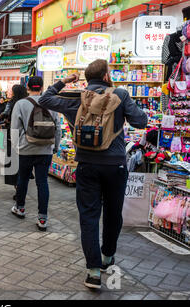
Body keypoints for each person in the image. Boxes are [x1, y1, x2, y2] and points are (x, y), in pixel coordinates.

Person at [38, 59, 148, 289]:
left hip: (86, 164)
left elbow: (44, 99)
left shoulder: (79, 98)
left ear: (87, 78)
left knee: (88, 216)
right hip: (115, 166)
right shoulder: (120, 95)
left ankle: (94, 272)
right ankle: (108, 256)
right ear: (107, 76)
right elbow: (141, 122)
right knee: (112, 212)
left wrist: (63, 82)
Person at [10, 77, 61, 232]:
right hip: (45, 149)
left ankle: (20, 208)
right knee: (42, 182)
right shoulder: (51, 103)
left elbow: (14, 128)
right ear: (42, 87)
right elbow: (58, 128)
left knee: (23, 179)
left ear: (28, 87)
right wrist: (55, 147)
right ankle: (42, 218)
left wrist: (16, 147)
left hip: (26, 149)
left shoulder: (21, 104)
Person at [0, 85, 28, 195]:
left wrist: (3, 116)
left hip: (12, 135)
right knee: (23, 161)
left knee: (13, 161)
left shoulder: (12, 103)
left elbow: (4, 114)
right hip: (26, 137)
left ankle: (18, 188)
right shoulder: (27, 102)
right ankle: (21, 187)